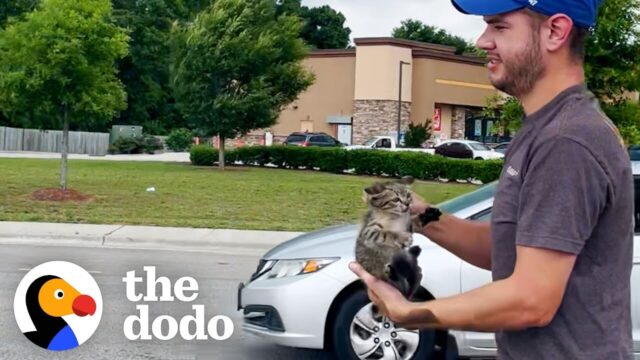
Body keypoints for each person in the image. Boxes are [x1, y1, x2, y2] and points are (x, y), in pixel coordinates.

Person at [349, 0, 634, 359]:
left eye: (499, 27)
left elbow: (532, 301)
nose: (482, 41)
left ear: (556, 31)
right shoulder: (544, 129)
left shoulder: (566, 141)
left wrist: (411, 313)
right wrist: (418, 214)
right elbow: (509, 250)